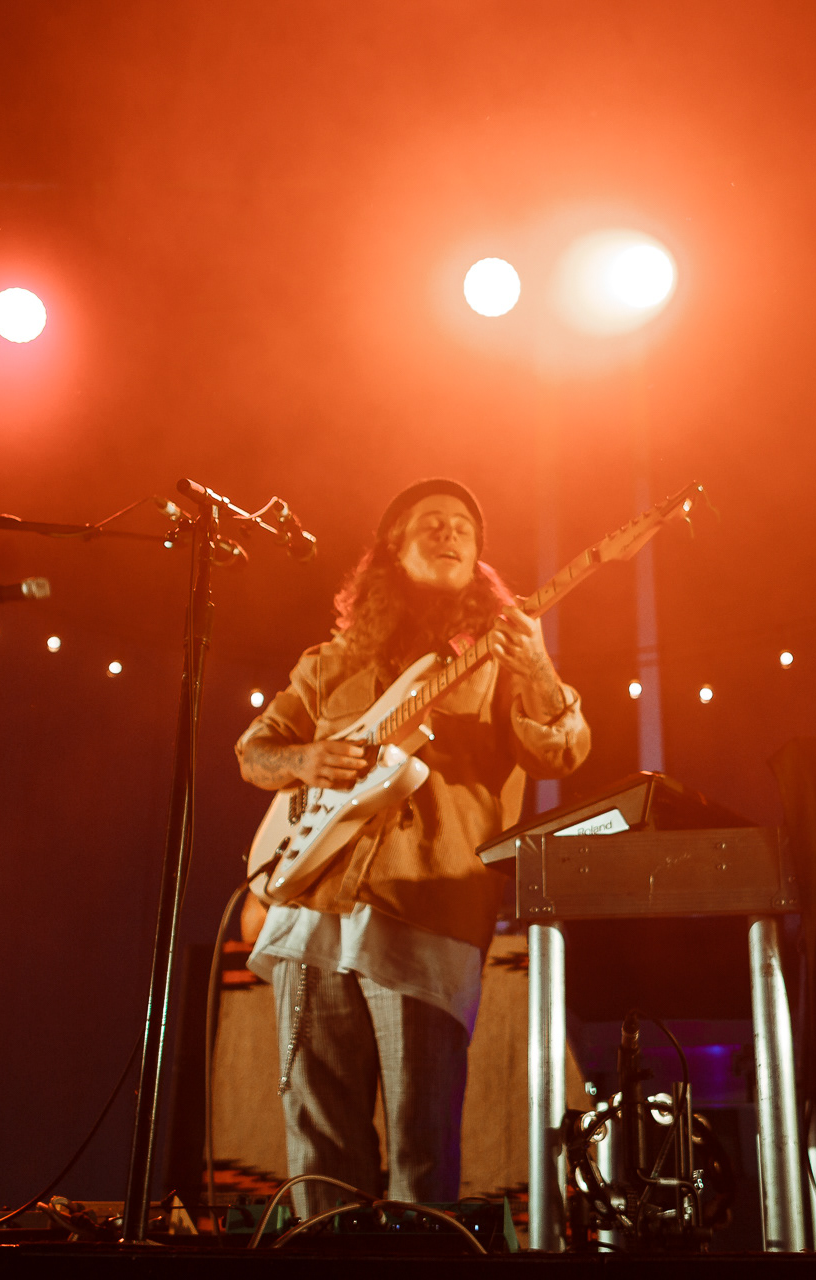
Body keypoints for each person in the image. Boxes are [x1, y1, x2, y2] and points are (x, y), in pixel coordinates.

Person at [235, 478, 590, 1213]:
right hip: (312, 908)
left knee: (421, 1146)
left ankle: (417, 1261)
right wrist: (305, 759)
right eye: (431, 521)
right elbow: (255, 751)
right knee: (319, 1143)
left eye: (464, 525)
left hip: (425, 911)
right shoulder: (329, 662)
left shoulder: (499, 660)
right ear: (391, 551)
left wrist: (536, 664)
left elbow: (562, 752)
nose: (450, 531)